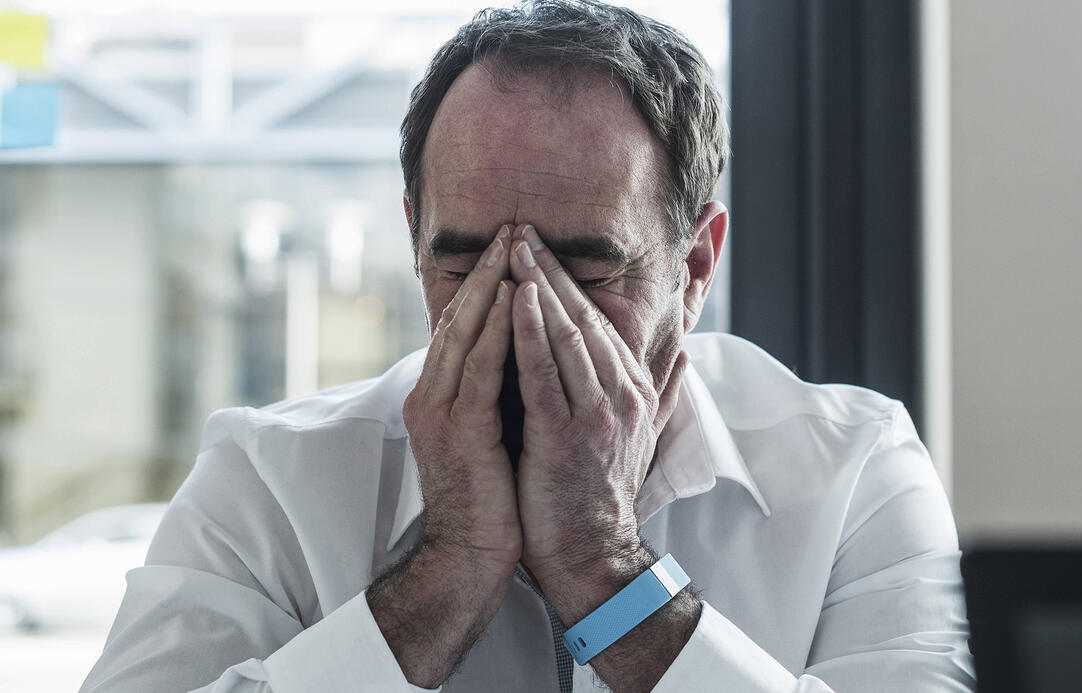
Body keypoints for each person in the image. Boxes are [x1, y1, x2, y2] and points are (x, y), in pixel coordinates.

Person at [81, 2, 972, 691]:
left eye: (582, 268)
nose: (519, 311)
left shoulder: (852, 468)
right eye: (463, 259)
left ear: (695, 264)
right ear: (414, 239)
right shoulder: (271, 476)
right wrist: (446, 568)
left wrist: (602, 563)